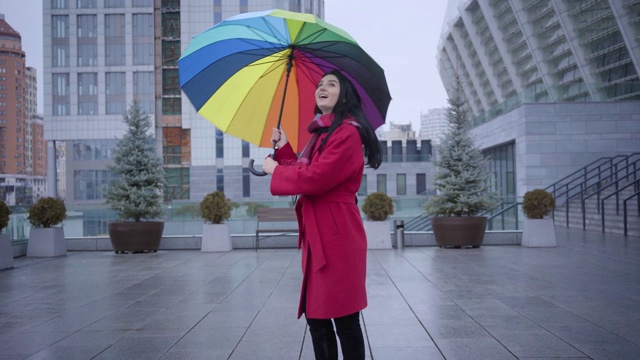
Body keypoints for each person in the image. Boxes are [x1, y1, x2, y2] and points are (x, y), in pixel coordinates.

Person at [262, 69, 382, 360]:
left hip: (338, 235)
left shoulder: (348, 133)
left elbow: (317, 177)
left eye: (331, 84)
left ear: (345, 95)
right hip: (320, 235)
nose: (322, 88)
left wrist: (276, 170)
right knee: (316, 317)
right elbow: (306, 170)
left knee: (344, 317)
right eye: (320, 84)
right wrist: (286, 148)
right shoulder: (321, 134)